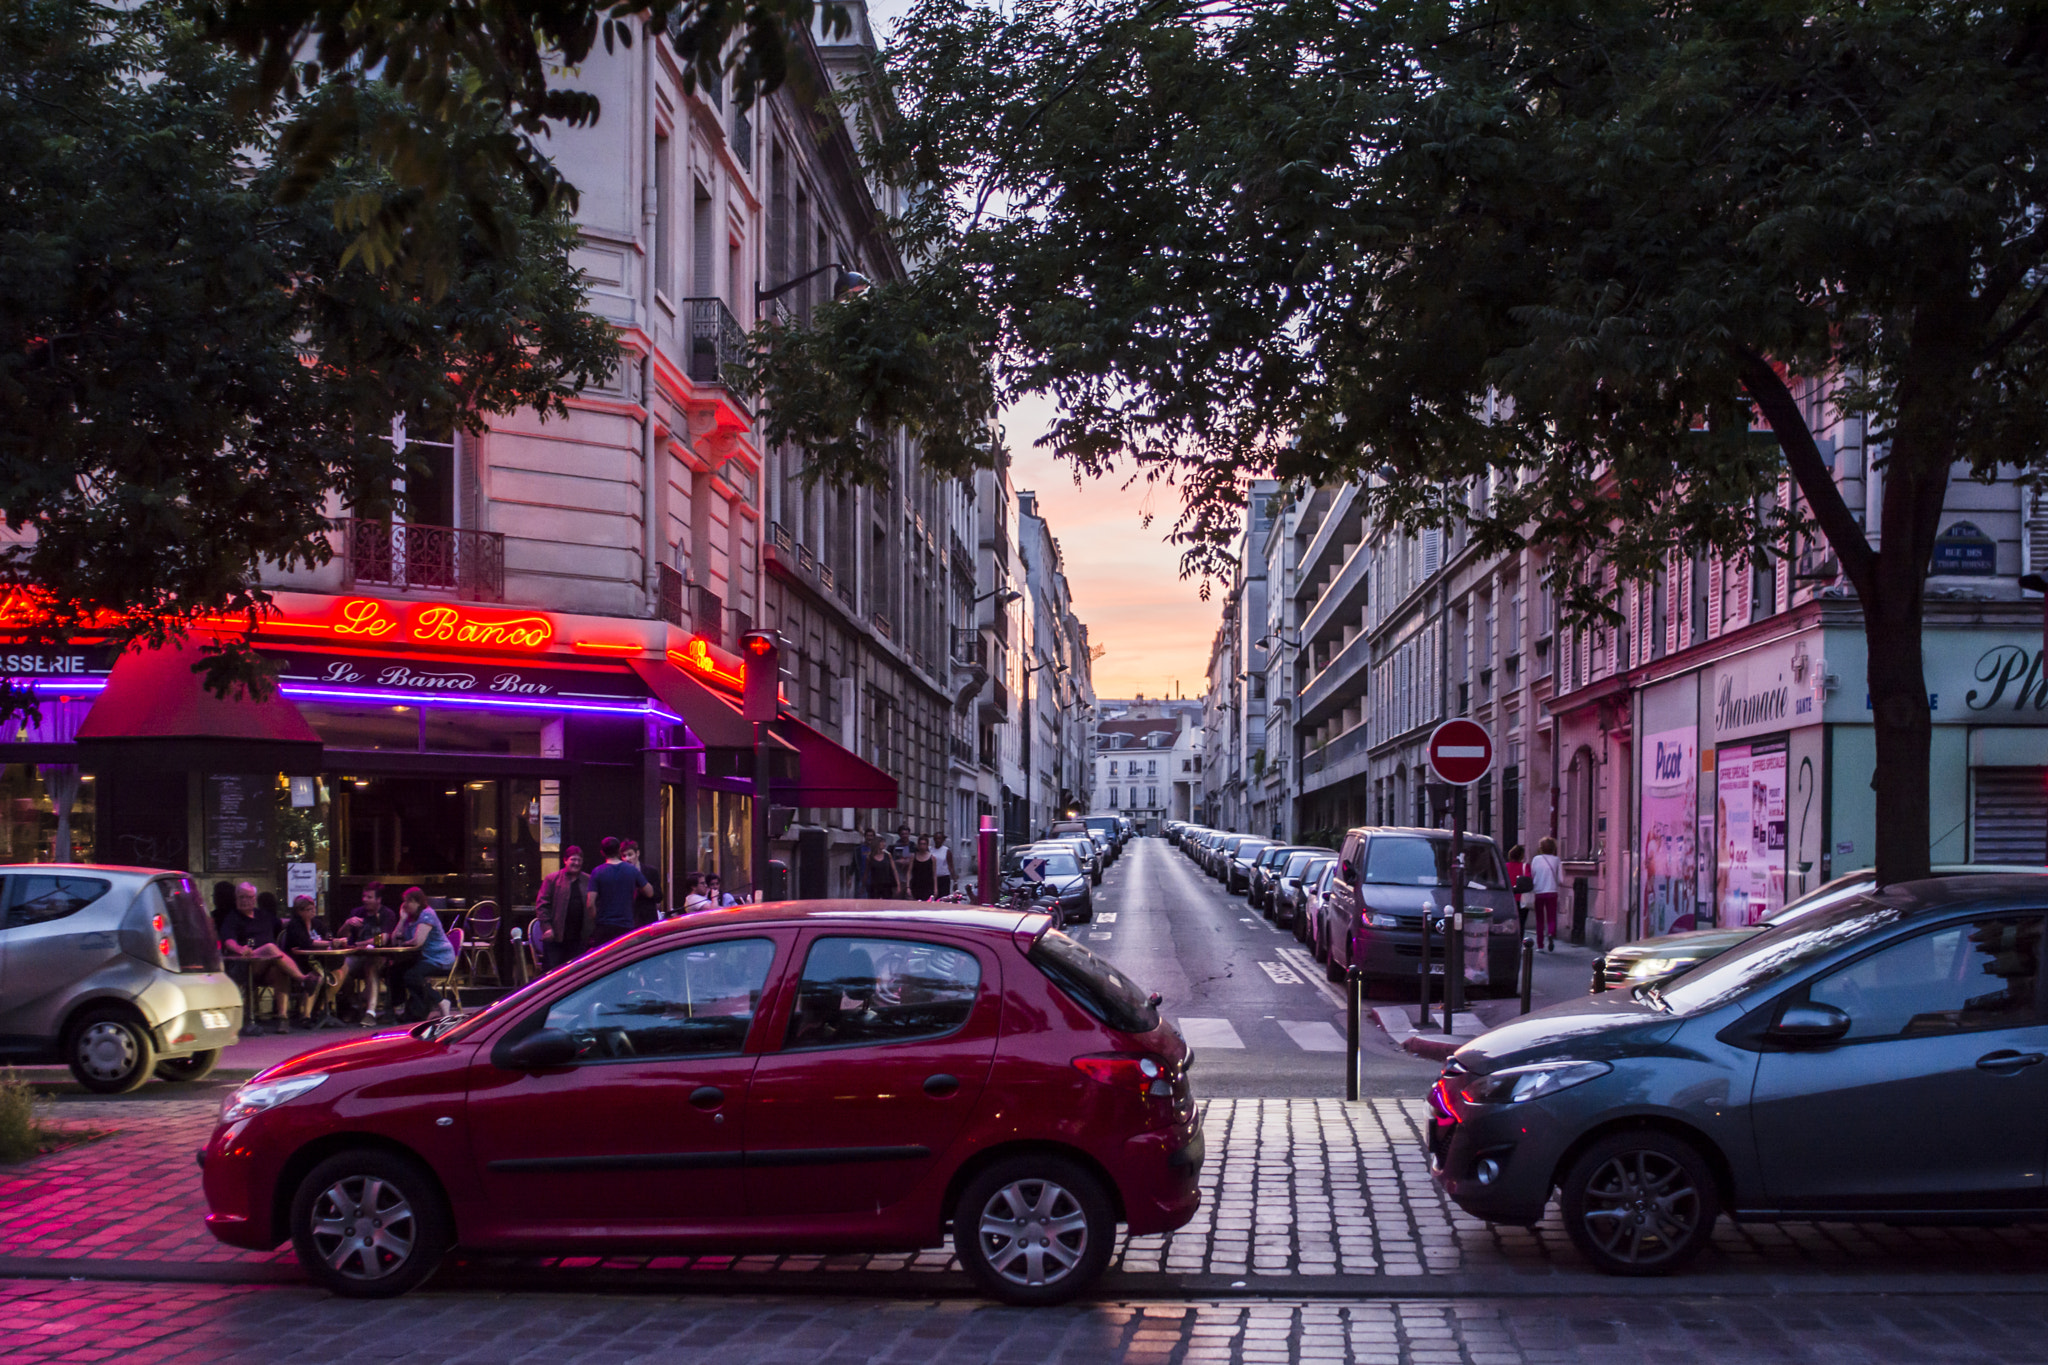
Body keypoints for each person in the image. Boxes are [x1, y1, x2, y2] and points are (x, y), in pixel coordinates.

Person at [219, 882, 309, 1035]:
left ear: (254, 899)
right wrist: (240, 949)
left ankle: (282, 1018)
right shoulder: (232, 918)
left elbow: (283, 924)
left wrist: (304, 920)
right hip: (247, 965)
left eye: (248, 897)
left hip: (268, 966)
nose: (244, 901)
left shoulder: (264, 916)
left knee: (280, 971)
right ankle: (302, 979)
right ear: (236, 899)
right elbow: (228, 941)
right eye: (241, 897)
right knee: (270, 948)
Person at [333, 883, 397, 1025]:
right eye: (364, 896)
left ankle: (370, 1012)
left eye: (369, 897)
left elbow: (384, 938)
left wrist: (360, 944)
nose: (365, 899)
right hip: (356, 956)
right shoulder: (357, 912)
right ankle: (353, 1005)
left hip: (379, 956)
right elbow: (340, 936)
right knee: (342, 968)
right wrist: (347, 924)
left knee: (371, 966)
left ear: (378, 899)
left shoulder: (387, 914)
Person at [392, 887, 458, 1021]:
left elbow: (418, 942)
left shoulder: (427, 914)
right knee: (394, 971)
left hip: (439, 959)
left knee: (412, 975)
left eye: (407, 902)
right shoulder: (410, 918)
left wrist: (404, 943)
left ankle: (441, 1001)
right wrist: (402, 919)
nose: (404, 905)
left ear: (417, 902)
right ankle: (402, 1008)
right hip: (424, 958)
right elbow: (394, 940)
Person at [278, 896, 341, 1028]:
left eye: (313, 909)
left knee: (340, 970)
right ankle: (305, 1016)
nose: (313, 912)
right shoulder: (294, 925)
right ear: (299, 911)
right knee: (316, 977)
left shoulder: (317, 923)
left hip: (318, 959)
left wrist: (332, 940)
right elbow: (305, 943)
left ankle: (322, 1010)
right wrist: (328, 943)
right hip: (299, 963)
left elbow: (327, 935)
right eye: (309, 909)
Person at [588, 835, 652, 949]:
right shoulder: (631, 870)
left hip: (604, 926)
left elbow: (590, 904)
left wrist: (596, 920)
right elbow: (650, 892)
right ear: (619, 851)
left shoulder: (597, 872)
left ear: (602, 852)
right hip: (626, 926)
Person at [534, 847, 592, 970]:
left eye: (579, 860)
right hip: (556, 938)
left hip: (579, 939)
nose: (576, 863)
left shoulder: (588, 880)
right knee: (553, 973)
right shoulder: (552, 879)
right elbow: (542, 904)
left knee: (576, 973)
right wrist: (547, 928)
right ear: (565, 860)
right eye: (573, 859)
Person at [1530, 836, 1564, 952]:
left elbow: (1532, 875)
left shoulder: (1536, 860)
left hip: (1539, 891)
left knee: (1539, 919)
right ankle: (1550, 932)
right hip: (1552, 892)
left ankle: (1540, 945)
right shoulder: (1557, 860)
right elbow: (1561, 880)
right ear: (1553, 848)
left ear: (1541, 848)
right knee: (1551, 917)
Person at [621, 840, 661, 925]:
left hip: (647, 921)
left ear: (637, 853)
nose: (627, 859)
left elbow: (659, 896)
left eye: (630, 855)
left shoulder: (651, 871)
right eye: (623, 856)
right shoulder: (620, 874)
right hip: (629, 921)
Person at [1505, 844, 1532, 940]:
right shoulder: (1525, 867)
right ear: (1521, 856)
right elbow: (1529, 879)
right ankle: (1519, 941)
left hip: (1508, 898)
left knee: (1508, 922)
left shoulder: (1505, 866)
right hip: (1522, 898)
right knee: (1521, 922)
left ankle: (1510, 939)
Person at [864, 832, 900, 899]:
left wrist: (898, 885)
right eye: (882, 842)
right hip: (875, 885)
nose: (884, 844)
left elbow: (894, 870)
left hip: (886, 885)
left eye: (884, 842)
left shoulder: (888, 855)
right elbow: (866, 872)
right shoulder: (870, 857)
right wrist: (863, 886)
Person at [908, 834, 938, 900]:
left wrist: (935, 888)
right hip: (916, 885)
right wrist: (908, 887)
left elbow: (934, 874)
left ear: (927, 845)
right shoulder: (913, 857)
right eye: (921, 844)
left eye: (924, 844)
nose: (922, 846)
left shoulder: (932, 858)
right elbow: (909, 872)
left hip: (928, 886)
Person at [932, 832, 954, 898]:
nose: (937, 840)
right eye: (936, 838)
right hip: (933, 878)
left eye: (939, 838)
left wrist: (955, 880)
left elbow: (951, 865)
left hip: (944, 878)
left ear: (943, 840)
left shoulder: (946, 851)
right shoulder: (930, 850)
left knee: (943, 897)